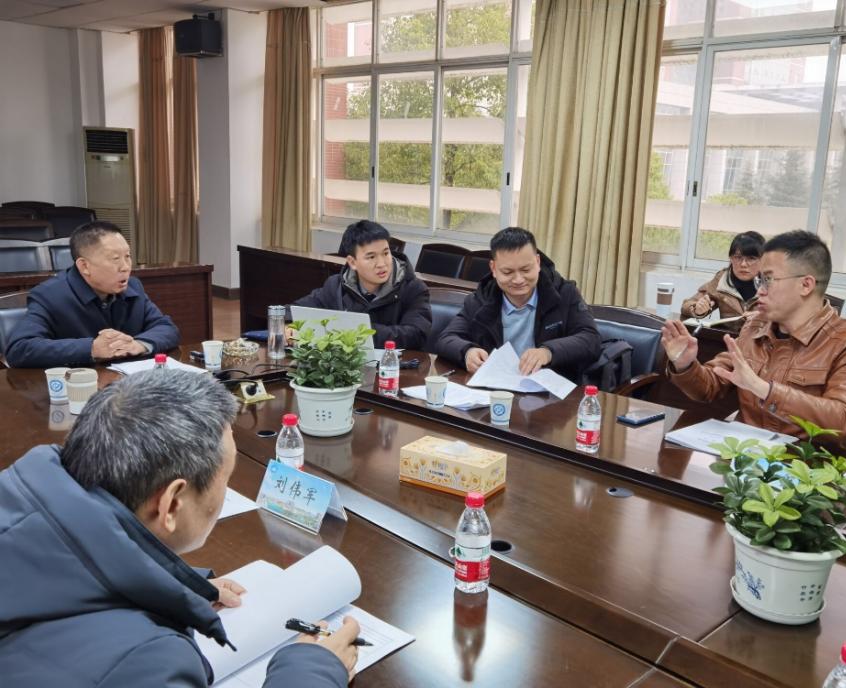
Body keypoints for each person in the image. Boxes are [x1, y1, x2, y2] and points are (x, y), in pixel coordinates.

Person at [0, 370, 359, 687]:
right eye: (227, 478)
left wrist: (169, 587)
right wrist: (311, 671)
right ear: (171, 504)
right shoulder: (149, 662)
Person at [662, 230, 846, 443]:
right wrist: (685, 365)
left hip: (805, 459)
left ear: (806, 285)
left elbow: (843, 421)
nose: (760, 292)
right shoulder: (755, 327)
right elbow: (710, 387)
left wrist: (762, 388)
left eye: (768, 280)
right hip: (743, 454)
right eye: (759, 281)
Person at [4, 221, 179, 368]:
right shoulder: (50, 296)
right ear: (84, 266)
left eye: (127, 256)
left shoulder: (133, 287)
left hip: (127, 384)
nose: (126, 267)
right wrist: (91, 348)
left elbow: (167, 328)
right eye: (115, 259)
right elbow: (19, 349)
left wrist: (139, 344)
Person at [435, 227, 601, 381]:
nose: (518, 280)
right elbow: (446, 339)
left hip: (550, 391)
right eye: (508, 272)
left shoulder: (564, 294)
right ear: (493, 268)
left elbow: (591, 339)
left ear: (537, 262)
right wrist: (467, 352)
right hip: (496, 388)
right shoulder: (481, 299)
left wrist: (548, 352)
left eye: (526, 270)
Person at [289, 220, 431, 350]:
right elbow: (295, 310)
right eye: (371, 257)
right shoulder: (336, 285)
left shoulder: (413, 289)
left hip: (394, 366)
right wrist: (288, 325)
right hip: (345, 365)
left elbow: (416, 335)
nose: (381, 264)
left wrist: (356, 332)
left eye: (385, 253)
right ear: (352, 262)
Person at [681, 231, 764, 321]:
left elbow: (777, 315)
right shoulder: (722, 279)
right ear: (730, 258)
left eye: (751, 258)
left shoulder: (772, 283)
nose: (743, 264)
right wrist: (697, 309)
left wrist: (767, 316)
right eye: (738, 257)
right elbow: (686, 305)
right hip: (728, 331)